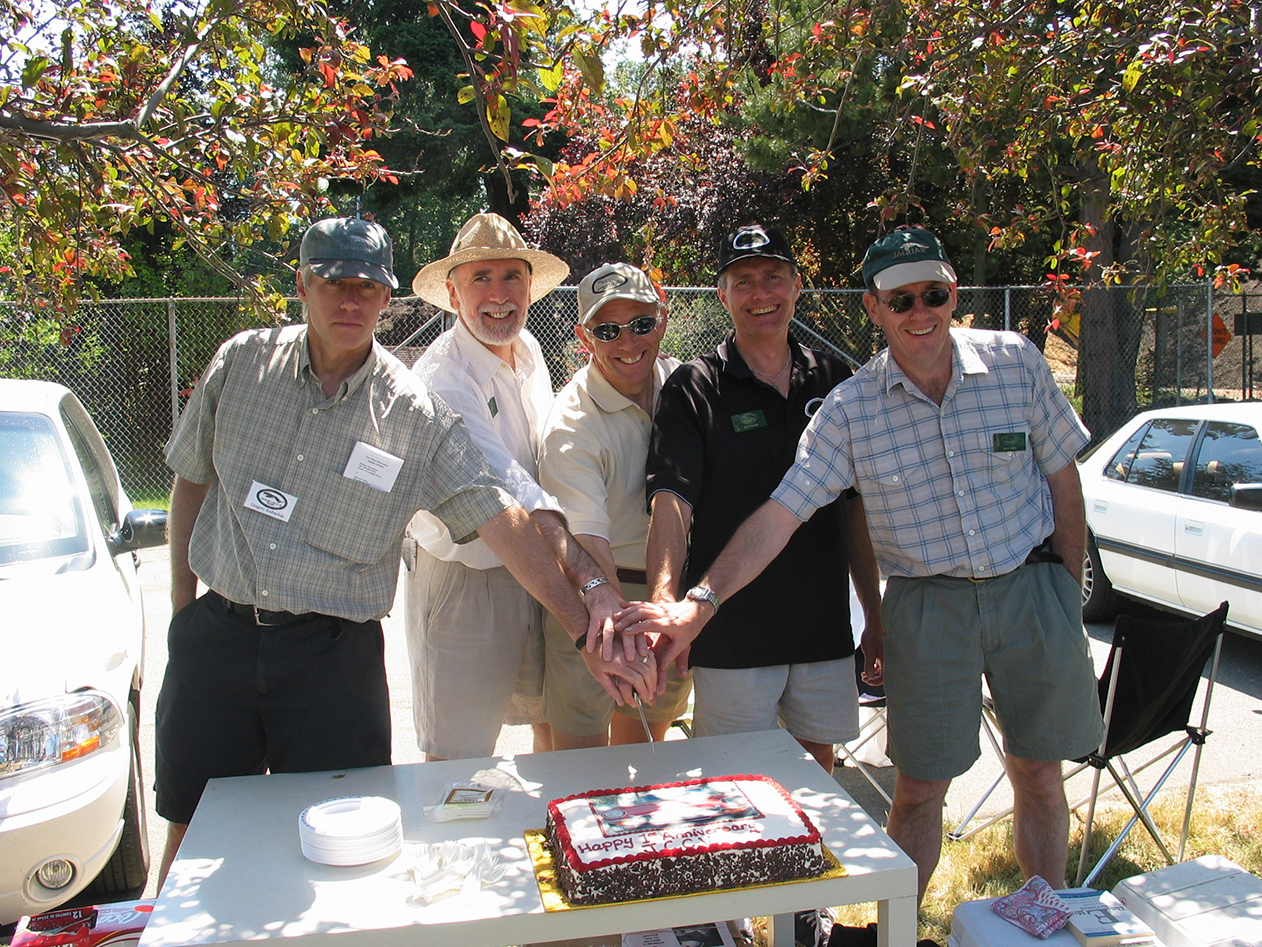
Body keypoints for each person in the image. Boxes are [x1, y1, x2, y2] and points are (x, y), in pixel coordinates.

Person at [156, 217, 653, 884]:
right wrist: (182, 614)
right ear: (301, 285)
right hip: (219, 637)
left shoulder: (412, 410)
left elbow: (500, 512)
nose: (350, 300)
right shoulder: (242, 364)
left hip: (333, 656)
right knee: (192, 829)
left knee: (343, 844)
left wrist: (584, 623)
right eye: (332, 282)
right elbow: (191, 478)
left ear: (387, 296)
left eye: (366, 286)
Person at [620, 226, 1104, 911]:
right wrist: (695, 602)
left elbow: (1063, 478)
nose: (920, 311)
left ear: (954, 293)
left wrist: (1064, 589)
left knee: (1040, 772)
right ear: (874, 308)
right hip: (925, 606)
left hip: (1028, 589)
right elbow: (777, 514)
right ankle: (890, 933)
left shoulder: (1016, 363)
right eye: (900, 300)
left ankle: (1043, 915)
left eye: (933, 294)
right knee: (919, 787)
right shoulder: (852, 408)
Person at [641, 223, 882, 773]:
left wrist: (874, 613)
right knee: (735, 786)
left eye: (773, 277)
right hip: (730, 634)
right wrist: (664, 605)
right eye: (743, 281)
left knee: (817, 776)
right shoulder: (695, 387)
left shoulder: (833, 379)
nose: (760, 294)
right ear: (722, 295)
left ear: (797, 286)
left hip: (822, 629)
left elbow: (854, 508)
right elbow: (672, 503)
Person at [405, 213, 639, 762]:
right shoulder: (443, 382)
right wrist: (592, 586)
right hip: (467, 583)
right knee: (458, 758)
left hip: (540, 570)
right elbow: (513, 492)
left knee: (550, 726)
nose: (499, 294)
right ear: (453, 294)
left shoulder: (528, 349)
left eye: (512, 275)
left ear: (530, 286)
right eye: (480, 278)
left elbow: (542, 466)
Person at [537, 262, 693, 750]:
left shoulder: (686, 386)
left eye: (641, 323)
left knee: (645, 751)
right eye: (608, 330)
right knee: (580, 762)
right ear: (584, 337)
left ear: (662, 319)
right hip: (595, 594)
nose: (628, 342)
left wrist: (669, 610)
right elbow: (588, 543)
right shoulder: (572, 423)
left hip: (669, 594)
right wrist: (617, 627)